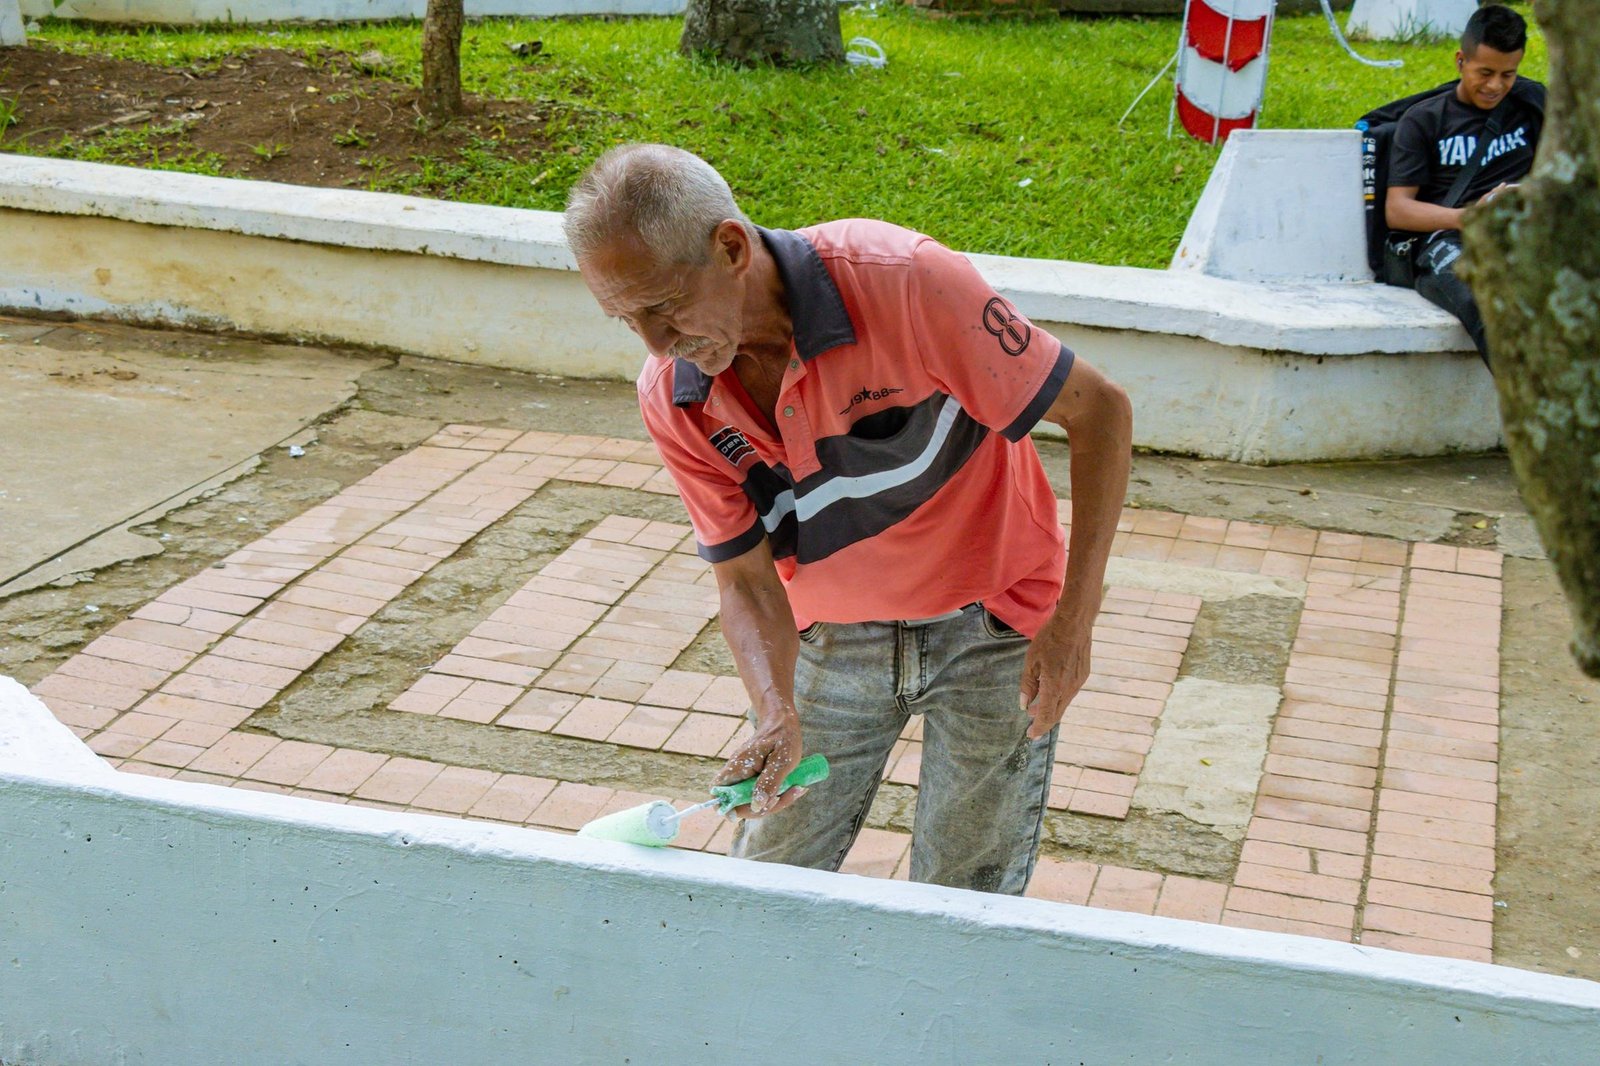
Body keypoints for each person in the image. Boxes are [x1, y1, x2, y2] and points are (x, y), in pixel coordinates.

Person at [563, 144, 1132, 894]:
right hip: (830, 637)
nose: (654, 345)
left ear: (731, 246)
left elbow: (1100, 412)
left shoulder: (905, 283)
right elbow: (743, 578)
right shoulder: (674, 394)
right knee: (766, 887)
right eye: (625, 319)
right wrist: (774, 710)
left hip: (994, 628)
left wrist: (1072, 623)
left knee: (968, 894)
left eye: (664, 307)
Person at [1386, 4, 1544, 368]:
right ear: (1460, 60)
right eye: (1485, 72)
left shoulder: (1531, 104)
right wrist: (1469, 217)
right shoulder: (1424, 120)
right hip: (1449, 239)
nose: (1495, 86)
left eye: (1508, 74)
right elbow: (1399, 209)